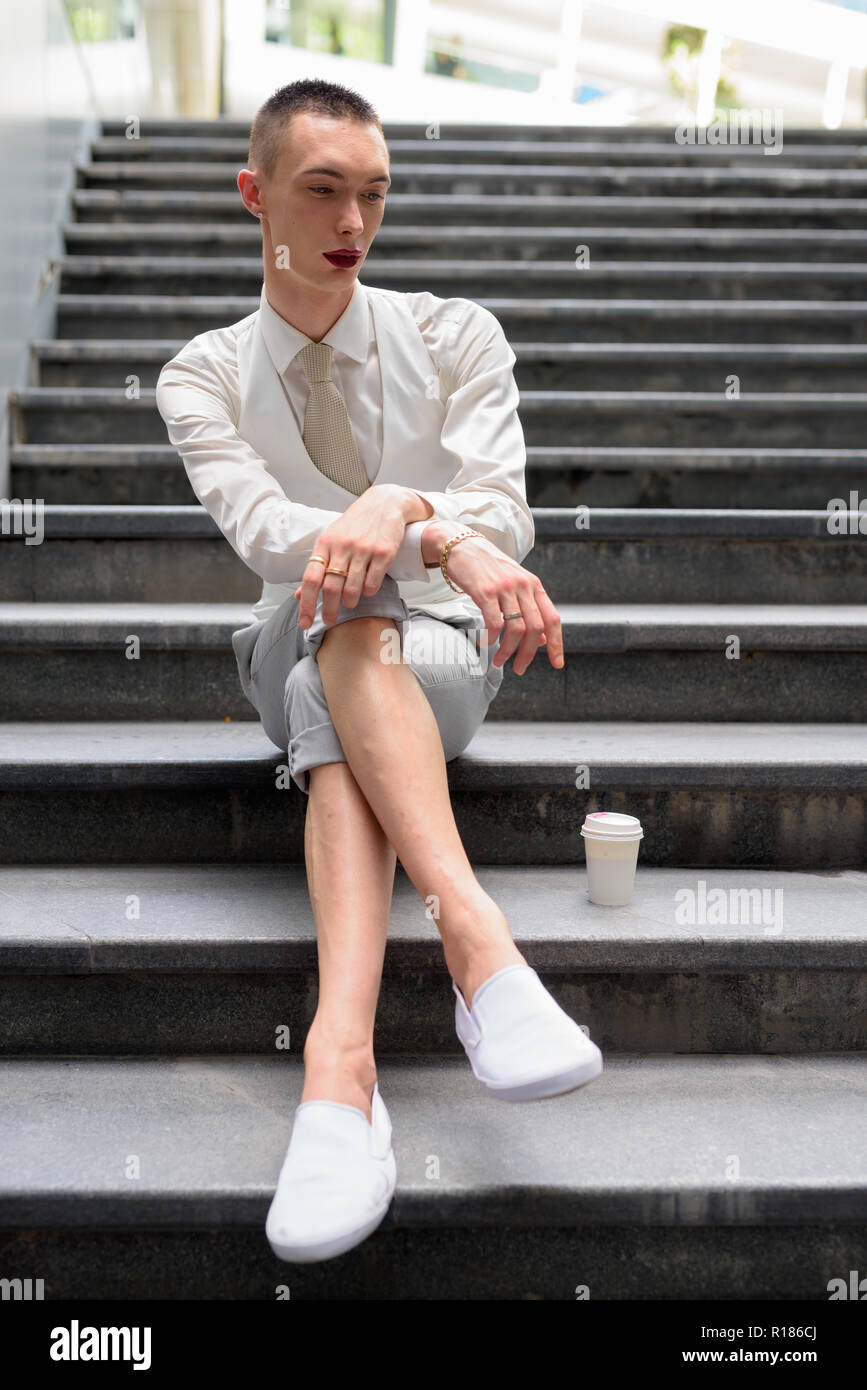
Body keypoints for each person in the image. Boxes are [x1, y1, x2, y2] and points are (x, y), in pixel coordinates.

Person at [155, 77, 602, 1266]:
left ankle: (338, 1067)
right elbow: (265, 536)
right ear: (257, 196)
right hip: (290, 630)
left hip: (448, 649)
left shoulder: (456, 334)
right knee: (333, 624)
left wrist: (399, 507)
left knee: (344, 654)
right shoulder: (200, 373)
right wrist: (428, 525)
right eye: (322, 190)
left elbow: (502, 511)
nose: (354, 220)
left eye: (374, 194)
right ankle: (477, 945)